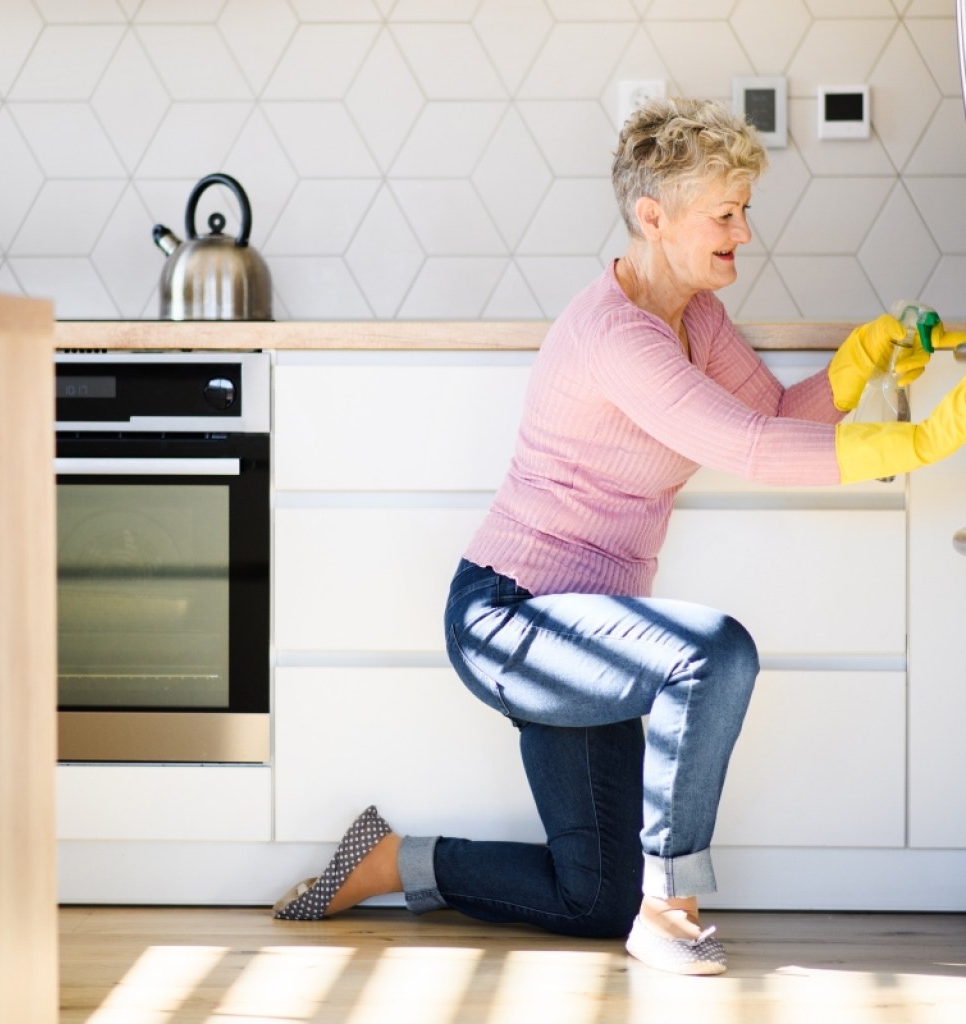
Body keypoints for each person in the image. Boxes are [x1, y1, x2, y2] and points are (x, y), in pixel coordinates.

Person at [271, 97, 966, 975]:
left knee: (593, 896)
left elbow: (775, 416)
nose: (744, 232)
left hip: (591, 627)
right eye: (725, 212)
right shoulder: (616, 335)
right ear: (653, 216)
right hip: (510, 618)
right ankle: (670, 912)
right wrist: (924, 442)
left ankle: (392, 861)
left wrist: (863, 356)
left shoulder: (698, 322)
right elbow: (751, 449)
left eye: (745, 210)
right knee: (716, 653)